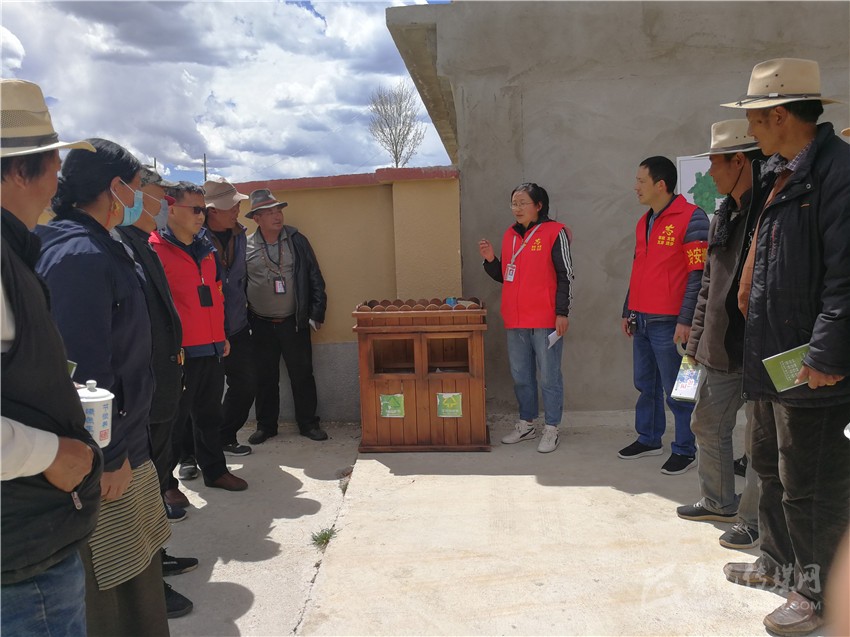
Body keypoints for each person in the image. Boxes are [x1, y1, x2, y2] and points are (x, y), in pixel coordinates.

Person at [719, 57, 850, 636]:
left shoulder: (837, 173)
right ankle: (776, 563)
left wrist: (825, 355)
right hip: (773, 358)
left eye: (755, 117)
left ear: (779, 116)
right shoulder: (781, 172)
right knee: (770, 467)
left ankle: (815, 594)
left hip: (811, 366)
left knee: (813, 488)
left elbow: (845, 278)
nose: (750, 128)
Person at [35, 138, 171, 636]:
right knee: (111, 585)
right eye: (137, 187)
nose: (142, 199)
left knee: (137, 570)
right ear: (115, 188)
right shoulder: (79, 255)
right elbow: (84, 371)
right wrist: (109, 456)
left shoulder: (103, 243)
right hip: (106, 457)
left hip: (127, 443)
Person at [0, 78, 103, 636]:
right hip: (19, 565)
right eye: (52, 160)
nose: (60, 174)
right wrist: (48, 453)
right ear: (20, 171)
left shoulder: (15, 250)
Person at [112, 164, 196, 618]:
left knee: (158, 474)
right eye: (155, 194)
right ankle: (147, 579)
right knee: (145, 482)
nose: (162, 204)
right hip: (140, 392)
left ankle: (157, 557)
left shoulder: (140, 243)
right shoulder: (117, 247)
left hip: (160, 383)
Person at [675, 120, 763, 550]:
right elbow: (708, 286)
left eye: (715, 163)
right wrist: (695, 345)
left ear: (739, 161)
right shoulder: (722, 215)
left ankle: (754, 520)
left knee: (761, 441)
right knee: (706, 423)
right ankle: (718, 500)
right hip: (722, 346)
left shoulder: (772, 211)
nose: (709, 172)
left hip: (764, 348)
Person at [150, 181, 248, 494]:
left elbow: (217, 295)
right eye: (194, 209)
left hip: (212, 347)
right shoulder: (155, 251)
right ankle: (166, 485)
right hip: (179, 353)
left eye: (202, 210)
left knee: (209, 416)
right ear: (171, 209)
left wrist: (222, 335)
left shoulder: (207, 250)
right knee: (174, 422)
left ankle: (215, 471)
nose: (200, 216)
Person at [618, 156, 709, 475]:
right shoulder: (643, 221)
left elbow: (699, 275)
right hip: (642, 318)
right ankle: (649, 438)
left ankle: (685, 448)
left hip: (673, 322)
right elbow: (638, 268)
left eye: (640, 181)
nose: (635, 187)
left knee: (682, 388)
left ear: (661, 184)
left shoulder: (693, 217)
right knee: (645, 384)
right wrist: (628, 309)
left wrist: (687, 320)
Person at [478, 182, 573, 453]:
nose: (517, 208)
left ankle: (552, 428)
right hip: (516, 319)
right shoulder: (510, 235)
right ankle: (527, 424)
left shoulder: (555, 232)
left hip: (545, 319)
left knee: (549, 377)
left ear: (539, 205)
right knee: (521, 376)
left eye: (523, 203)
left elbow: (566, 274)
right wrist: (490, 260)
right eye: (514, 203)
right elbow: (506, 276)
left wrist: (562, 312)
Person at [245, 189, 328, 444]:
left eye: (278, 210)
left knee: (302, 375)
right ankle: (266, 426)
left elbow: (314, 276)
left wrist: (316, 313)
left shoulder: (296, 240)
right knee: (265, 377)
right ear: (256, 218)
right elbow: (236, 285)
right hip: (259, 322)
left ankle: (308, 424)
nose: (277, 216)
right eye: (269, 212)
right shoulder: (244, 245)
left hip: (294, 321)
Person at [203, 177, 255, 456]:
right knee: (201, 395)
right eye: (231, 205)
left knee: (246, 385)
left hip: (236, 326)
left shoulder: (240, 235)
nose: (237, 210)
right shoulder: (194, 237)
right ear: (212, 210)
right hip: (204, 331)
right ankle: (189, 453)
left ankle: (225, 436)